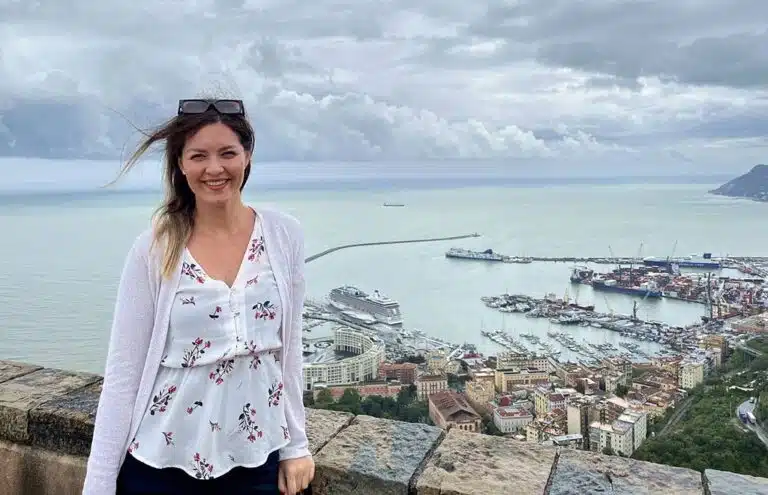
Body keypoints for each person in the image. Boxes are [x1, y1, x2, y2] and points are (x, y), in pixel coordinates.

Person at [82, 99, 314, 494]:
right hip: (161, 463)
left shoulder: (283, 234)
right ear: (180, 164)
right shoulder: (155, 248)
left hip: (257, 460)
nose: (214, 168)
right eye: (198, 156)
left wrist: (297, 444)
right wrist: (98, 484)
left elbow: (287, 354)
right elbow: (124, 374)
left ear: (247, 156)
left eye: (228, 153)